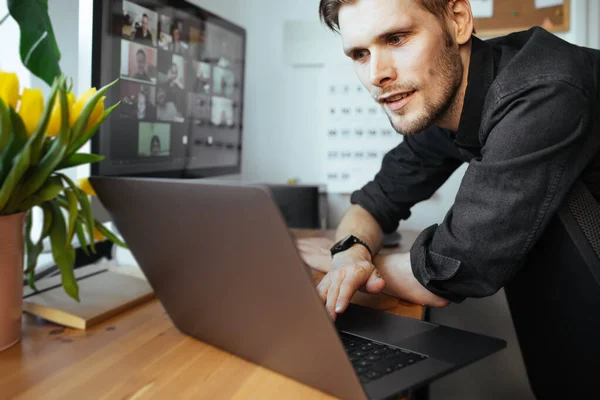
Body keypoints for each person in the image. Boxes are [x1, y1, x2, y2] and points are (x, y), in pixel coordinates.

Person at [310, 0, 600, 321]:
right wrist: (348, 253)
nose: (377, 74)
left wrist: (349, 268)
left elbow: (453, 267)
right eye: (360, 54)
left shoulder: (539, 91)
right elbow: (375, 202)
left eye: (396, 39)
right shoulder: (441, 103)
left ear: (458, 21)